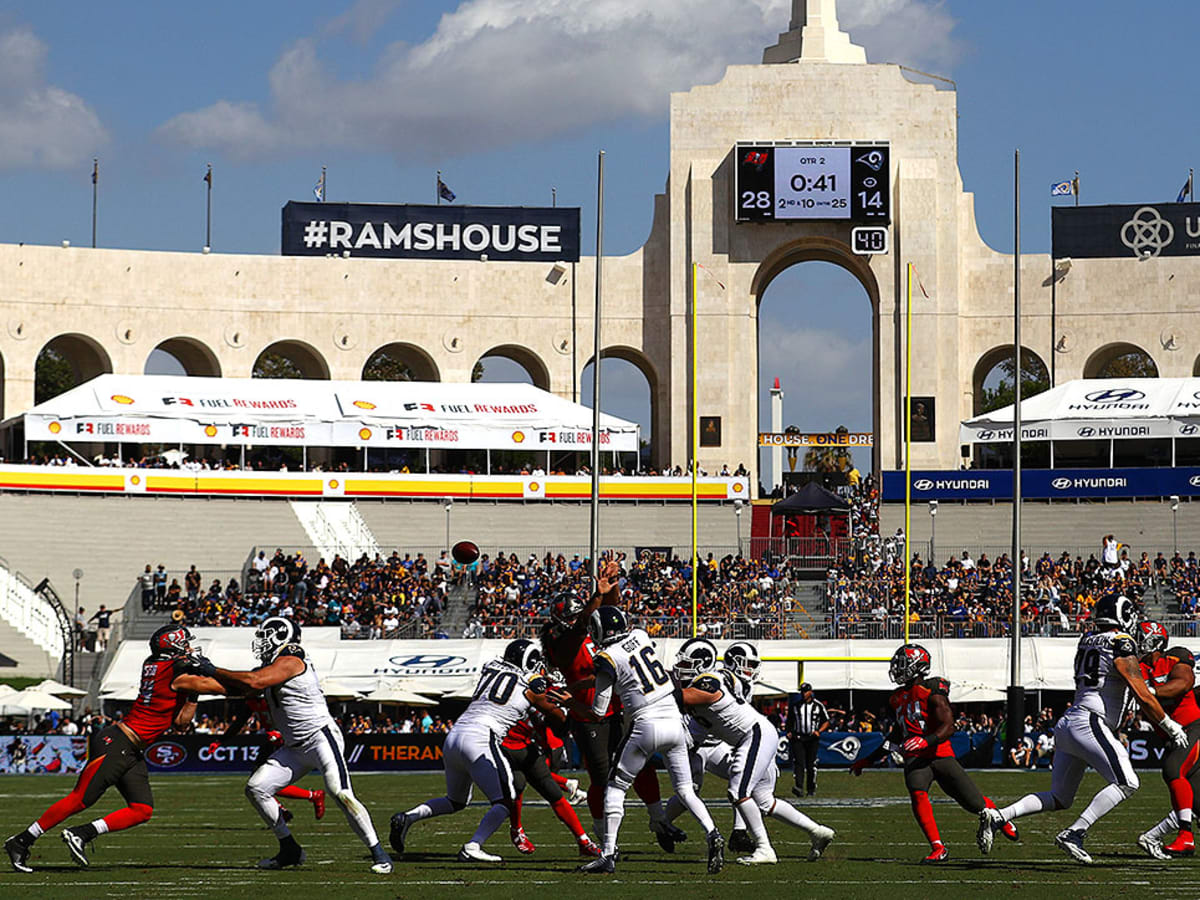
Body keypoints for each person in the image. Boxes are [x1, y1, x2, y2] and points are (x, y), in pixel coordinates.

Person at [979, 595, 1189, 864]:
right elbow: (1143, 695)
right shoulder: (1121, 643)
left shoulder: (1087, 640)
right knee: (1127, 782)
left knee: (1060, 796)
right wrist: (1169, 725)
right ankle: (1075, 832)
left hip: (1070, 722)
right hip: (1091, 721)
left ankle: (999, 816)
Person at [4, 624, 220, 872]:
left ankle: (82, 833)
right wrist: (252, 685)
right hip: (118, 742)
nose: (190, 648)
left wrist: (194, 693)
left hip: (131, 749)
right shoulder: (166, 668)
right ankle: (21, 841)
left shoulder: (164, 668)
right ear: (173, 647)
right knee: (80, 799)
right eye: (185, 643)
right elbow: (217, 684)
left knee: (142, 810)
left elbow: (182, 723)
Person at [210, 616, 392, 874]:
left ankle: (380, 854)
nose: (260, 643)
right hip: (294, 747)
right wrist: (193, 676)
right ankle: (289, 849)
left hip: (320, 737)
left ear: (280, 636)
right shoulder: (273, 665)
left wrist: (211, 668)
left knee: (340, 792)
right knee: (257, 788)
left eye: (265, 636)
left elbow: (254, 682)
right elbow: (235, 685)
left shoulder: (292, 659)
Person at [571, 606, 724, 875]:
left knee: (616, 787)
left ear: (598, 630)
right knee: (685, 790)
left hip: (646, 724)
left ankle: (607, 853)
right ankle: (713, 834)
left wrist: (571, 702)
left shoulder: (606, 657)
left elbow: (598, 711)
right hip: (674, 722)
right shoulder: (641, 636)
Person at [540, 563, 677, 850]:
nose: (583, 619)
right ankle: (602, 837)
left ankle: (658, 819)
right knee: (602, 779)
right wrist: (596, 597)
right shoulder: (558, 641)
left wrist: (611, 587)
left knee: (641, 765)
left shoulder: (590, 628)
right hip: (588, 715)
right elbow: (581, 626)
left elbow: (609, 616)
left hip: (618, 707)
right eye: (576, 616)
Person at [389, 639, 566, 863]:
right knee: (505, 802)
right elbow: (556, 715)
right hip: (481, 738)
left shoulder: (490, 669)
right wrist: (559, 693)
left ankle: (408, 817)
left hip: (454, 736)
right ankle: (473, 846)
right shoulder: (530, 686)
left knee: (456, 800)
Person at [851, 642, 1018, 863]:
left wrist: (925, 740)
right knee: (917, 791)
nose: (896, 669)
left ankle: (1001, 818)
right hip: (916, 759)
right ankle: (938, 848)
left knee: (973, 803)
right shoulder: (897, 698)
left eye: (902, 665)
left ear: (915, 666)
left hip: (939, 754)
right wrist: (867, 760)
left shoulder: (931, 693)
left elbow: (948, 726)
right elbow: (895, 735)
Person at [673, 638, 835, 865]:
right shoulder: (711, 688)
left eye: (686, 664)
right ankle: (816, 831)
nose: (679, 669)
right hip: (753, 740)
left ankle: (764, 848)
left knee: (738, 791)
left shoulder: (711, 680)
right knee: (765, 801)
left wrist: (653, 689)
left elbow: (683, 697)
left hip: (754, 736)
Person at [1134, 621, 1200, 858]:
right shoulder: (1137, 667)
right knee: (1197, 801)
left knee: (1173, 770)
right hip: (1172, 735)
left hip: (1194, 726)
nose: (1135, 639)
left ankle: (1185, 836)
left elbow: (1183, 683)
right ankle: (1182, 839)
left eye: (1139, 636)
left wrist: (1150, 692)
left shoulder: (1174, 659)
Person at [501, 706, 599, 858]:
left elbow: (547, 723)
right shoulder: (522, 693)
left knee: (553, 792)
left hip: (525, 746)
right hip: (502, 748)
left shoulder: (539, 696)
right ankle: (516, 829)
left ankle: (583, 841)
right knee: (516, 787)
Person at [788, 682, 830, 797]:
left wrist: (819, 731)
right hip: (798, 737)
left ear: (811, 692)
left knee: (811, 764)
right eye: (802, 692)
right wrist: (789, 732)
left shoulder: (818, 705)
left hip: (812, 738)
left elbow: (826, 721)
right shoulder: (795, 706)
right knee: (799, 763)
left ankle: (811, 788)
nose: (803, 694)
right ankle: (799, 787)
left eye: (805, 691)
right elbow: (790, 721)